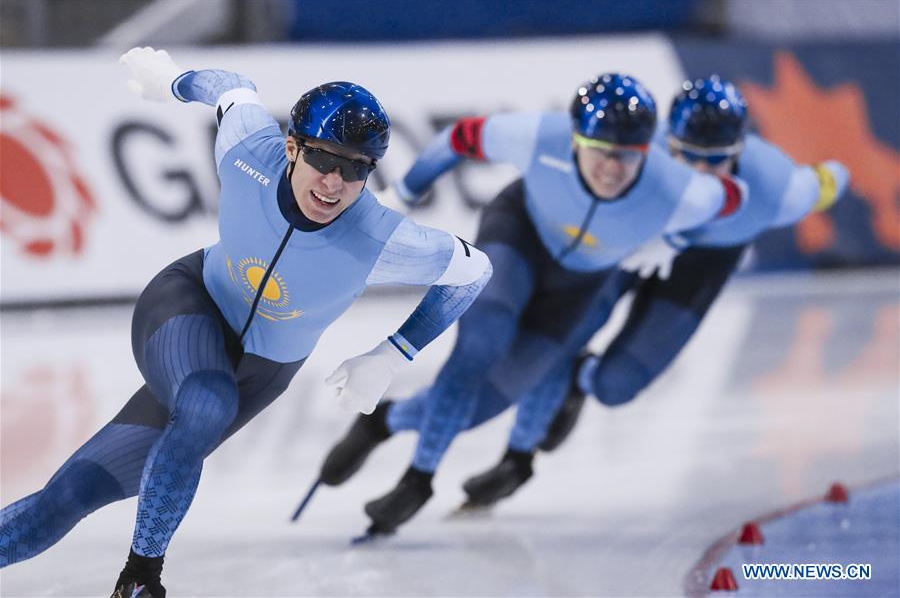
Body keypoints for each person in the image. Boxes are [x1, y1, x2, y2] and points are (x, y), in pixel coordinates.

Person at [0, 47, 491, 598]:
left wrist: (393, 353)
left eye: (356, 168)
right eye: (323, 159)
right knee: (206, 402)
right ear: (292, 147)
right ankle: (141, 579)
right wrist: (174, 81)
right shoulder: (246, 151)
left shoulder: (380, 238)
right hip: (187, 306)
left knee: (63, 501)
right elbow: (231, 86)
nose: (334, 183)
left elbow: (474, 271)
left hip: (260, 372)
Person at [315, 73, 747, 538]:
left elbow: (734, 199)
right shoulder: (541, 134)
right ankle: (417, 479)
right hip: (518, 238)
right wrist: (405, 193)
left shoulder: (676, 186)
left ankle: (385, 422)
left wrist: (675, 238)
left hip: (580, 283)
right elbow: (457, 138)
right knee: (482, 343)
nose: (610, 168)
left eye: (626, 156)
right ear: (575, 140)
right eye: (599, 151)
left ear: (645, 152)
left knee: (486, 403)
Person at [458, 75, 851, 510]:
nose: (700, 173)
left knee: (616, 385)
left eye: (715, 160)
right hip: (637, 241)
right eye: (687, 156)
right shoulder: (637, 149)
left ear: (739, 151)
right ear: (667, 142)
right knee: (562, 337)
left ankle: (581, 379)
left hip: (701, 263)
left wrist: (831, 175)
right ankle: (517, 458)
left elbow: (834, 177)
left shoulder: (777, 187)